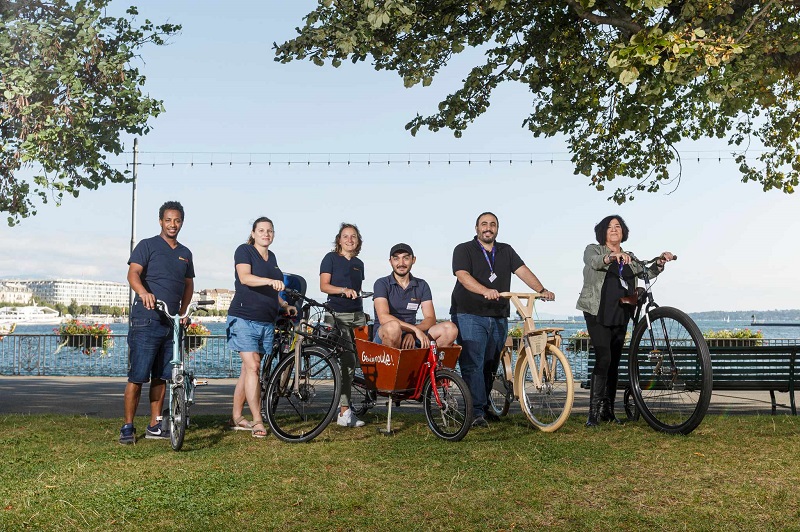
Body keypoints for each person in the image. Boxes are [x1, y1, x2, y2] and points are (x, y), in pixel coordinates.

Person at [450, 212, 555, 428]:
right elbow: (462, 276)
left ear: (497, 228)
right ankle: (475, 412)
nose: (488, 228)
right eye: (484, 224)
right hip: (469, 314)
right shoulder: (463, 249)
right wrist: (484, 290)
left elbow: (522, 271)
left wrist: (541, 290)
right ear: (476, 228)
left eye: (493, 224)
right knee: (473, 364)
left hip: (498, 315)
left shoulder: (506, 250)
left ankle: (483, 406)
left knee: (490, 364)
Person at [576, 215, 675, 427]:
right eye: (610, 227)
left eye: (618, 227)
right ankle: (593, 414)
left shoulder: (629, 256)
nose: (614, 230)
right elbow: (594, 263)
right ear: (603, 232)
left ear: (623, 232)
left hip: (621, 312)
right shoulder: (593, 249)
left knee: (613, 363)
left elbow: (646, 271)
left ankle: (608, 411)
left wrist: (659, 262)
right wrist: (613, 257)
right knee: (603, 358)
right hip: (597, 311)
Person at [120, 201, 195, 444]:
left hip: (171, 323)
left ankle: (154, 424)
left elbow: (188, 285)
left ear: (182, 222)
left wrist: (183, 312)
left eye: (177, 220)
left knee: (163, 376)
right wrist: (143, 293)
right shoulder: (147, 245)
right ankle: (128, 426)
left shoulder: (185, 253)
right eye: (168, 220)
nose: (173, 225)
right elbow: (133, 273)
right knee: (138, 375)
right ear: (161, 221)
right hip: (146, 319)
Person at [227, 217, 295, 439]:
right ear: (254, 233)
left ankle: (237, 417)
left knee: (248, 370)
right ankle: (258, 419)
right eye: (262, 230)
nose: (266, 234)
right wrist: (269, 281)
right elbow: (245, 278)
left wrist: (284, 305)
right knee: (254, 366)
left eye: (270, 231)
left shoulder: (272, 257)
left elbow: (274, 292)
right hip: (244, 318)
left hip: (266, 321)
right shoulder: (245, 251)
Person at [319, 223, 367, 428]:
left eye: (353, 236)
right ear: (339, 239)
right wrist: (343, 290)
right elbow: (324, 286)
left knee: (363, 360)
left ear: (358, 240)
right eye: (346, 236)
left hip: (358, 315)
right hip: (337, 315)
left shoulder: (359, 263)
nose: (349, 239)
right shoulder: (330, 259)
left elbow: (358, 289)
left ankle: (351, 403)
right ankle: (344, 412)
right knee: (347, 361)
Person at [373, 243, 457, 349]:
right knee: (393, 327)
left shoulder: (422, 285)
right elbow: (383, 317)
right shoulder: (381, 283)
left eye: (406, 258)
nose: (401, 263)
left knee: (450, 329)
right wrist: (415, 330)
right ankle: (390, 364)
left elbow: (430, 318)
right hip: (385, 335)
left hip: (412, 336)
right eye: (396, 259)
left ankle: (429, 364)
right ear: (390, 261)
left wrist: (413, 333)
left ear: (413, 260)